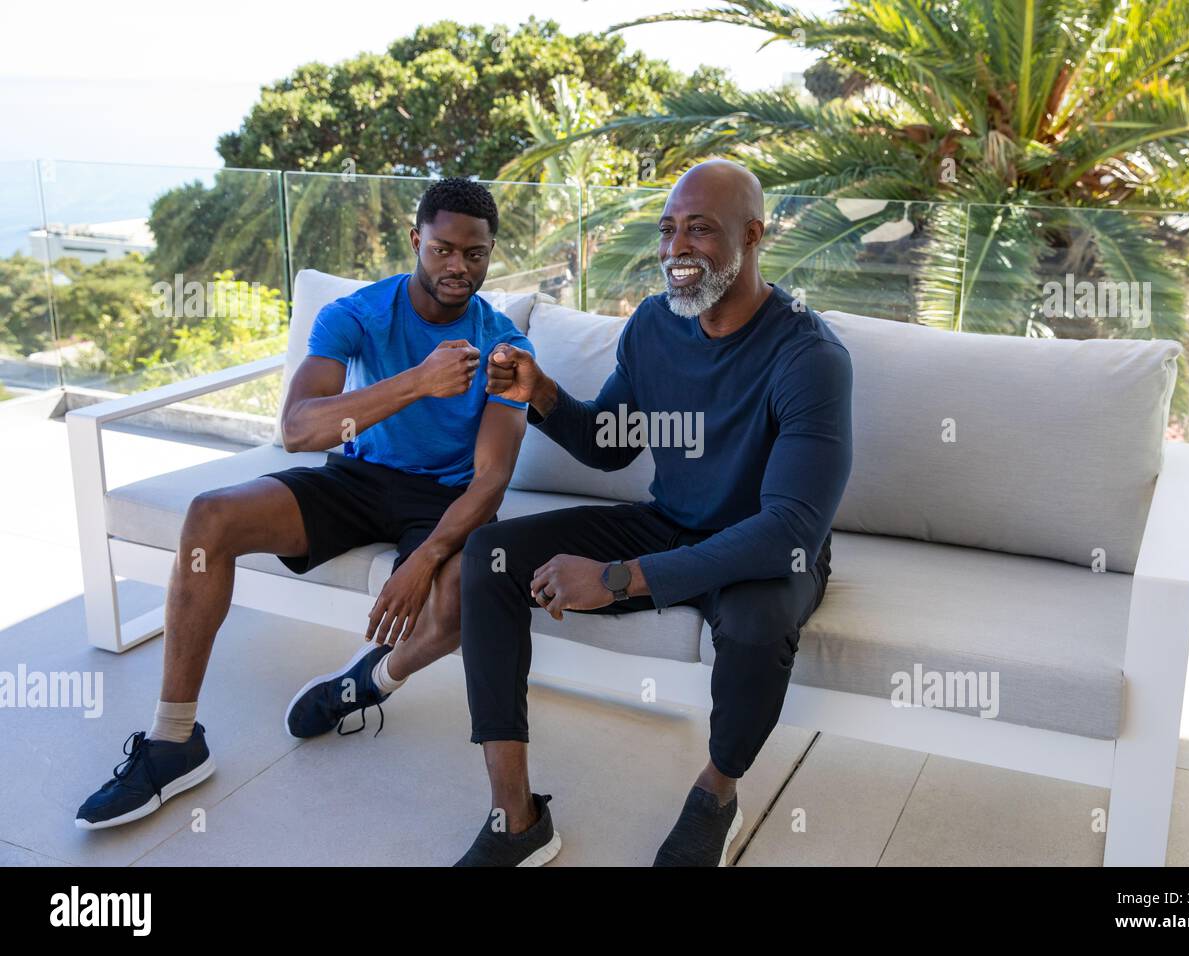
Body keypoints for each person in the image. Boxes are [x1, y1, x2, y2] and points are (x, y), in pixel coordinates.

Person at [76, 178, 533, 830]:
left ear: (491, 253)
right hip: (357, 476)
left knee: (464, 595)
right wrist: (416, 382)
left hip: (446, 497)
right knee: (210, 517)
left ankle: (369, 681)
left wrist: (425, 558)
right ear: (416, 241)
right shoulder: (358, 314)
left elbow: (491, 480)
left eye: (476, 254)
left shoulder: (506, 346)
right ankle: (173, 742)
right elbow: (298, 429)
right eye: (443, 249)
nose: (459, 267)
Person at [455, 159, 853, 866]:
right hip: (671, 521)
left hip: (764, 547)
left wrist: (616, 579)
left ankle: (716, 794)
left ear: (754, 235)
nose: (676, 248)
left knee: (760, 623)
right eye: (668, 229)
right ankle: (515, 819)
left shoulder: (809, 355)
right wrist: (541, 392)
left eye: (700, 229)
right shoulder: (652, 324)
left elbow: (791, 528)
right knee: (487, 554)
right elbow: (610, 444)